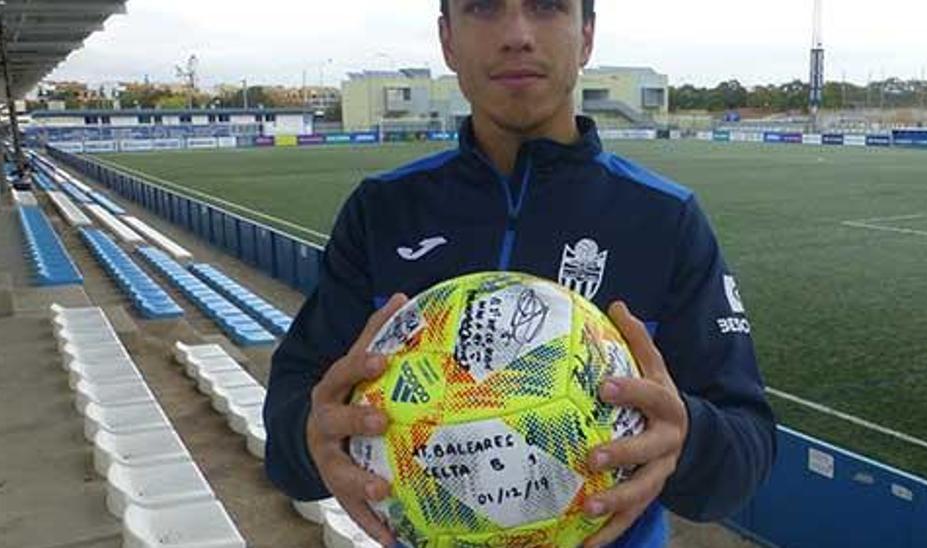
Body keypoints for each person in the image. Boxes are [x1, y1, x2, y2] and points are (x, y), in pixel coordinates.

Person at [263, 1, 776, 546]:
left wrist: (686, 438)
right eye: (483, 7)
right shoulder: (382, 212)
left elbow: (747, 448)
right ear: (447, 41)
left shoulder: (665, 218)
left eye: (546, 6)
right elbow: (290, 422)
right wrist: (310, 436)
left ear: (585, 36)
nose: (517, 34)